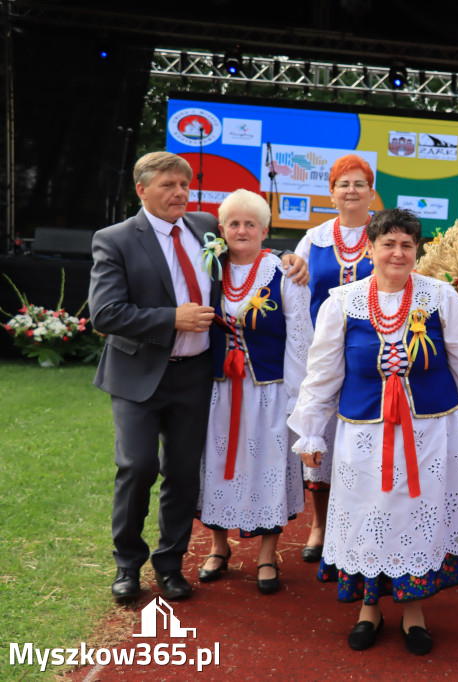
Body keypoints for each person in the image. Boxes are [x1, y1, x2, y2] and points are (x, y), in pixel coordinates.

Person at [89, 152, 308, 603]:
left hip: (196, 377)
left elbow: (253, 248)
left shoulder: (204, 227)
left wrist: (290, 257)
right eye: (168, 185)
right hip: (139, 377)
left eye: (185, 186)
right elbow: (105, 313)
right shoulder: (114, 239)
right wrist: (172, 318)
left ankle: (170, 564)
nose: (178, 194)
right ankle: (127, 565)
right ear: (142, 190)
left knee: (185, 473)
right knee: (137, 467)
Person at [289, 208, 458, 655]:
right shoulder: (342, 302)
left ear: (417, 251)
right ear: (370, 249)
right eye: (388, 244)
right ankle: (369, 608)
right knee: (369, 517)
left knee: (415, 517)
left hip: (429, 432)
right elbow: (322, 373)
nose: (397, 253)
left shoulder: (441, 298)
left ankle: (414, 611)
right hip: (364, 434)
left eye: (406, 245)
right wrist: (310, 431)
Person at [194, 190, 312, 594]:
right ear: (221, 230)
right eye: (233, 223)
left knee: (268, 468)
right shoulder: (209, 268)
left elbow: (300, 341)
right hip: (218, 391)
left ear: (264, 229)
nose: (241, 230)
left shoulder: (286, 273)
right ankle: (218, 546)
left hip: (268, 392)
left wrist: (299, 402)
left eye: (250, 223)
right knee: (214, 463)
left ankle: (266, 553)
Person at [293, 154, 378, 567]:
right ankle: (320, 526)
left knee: (365, 447)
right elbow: (293, 294)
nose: (351, 191)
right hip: (322, 358)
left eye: (359, 183)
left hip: (371, 363)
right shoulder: (313, 239)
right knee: (319, 444)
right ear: (331, 192)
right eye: (343, 184)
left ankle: (361, 525)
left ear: (371, 191)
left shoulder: (384, 236)